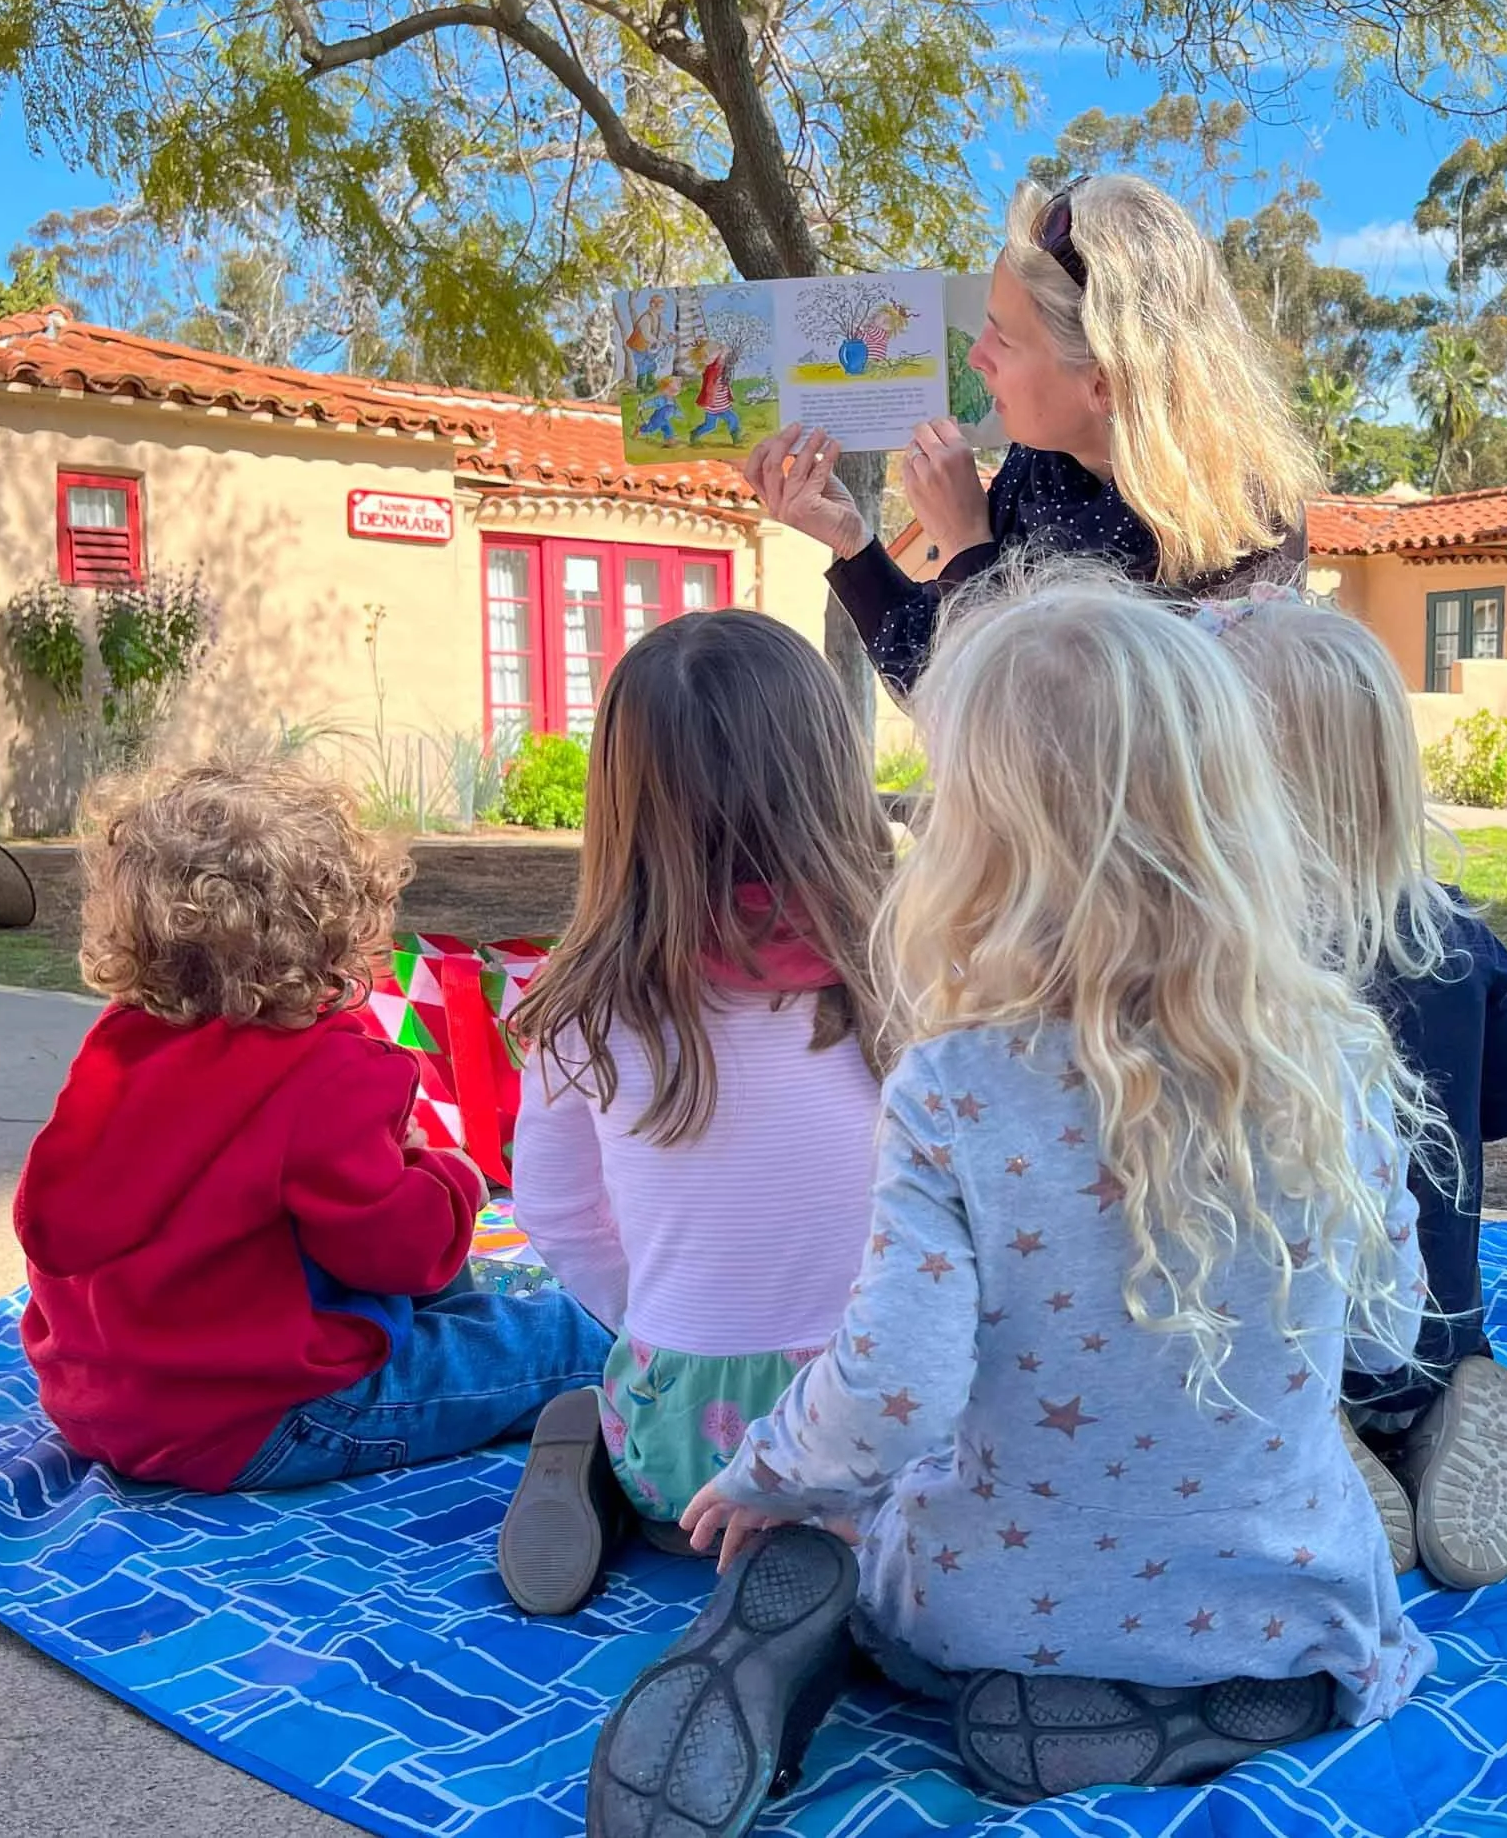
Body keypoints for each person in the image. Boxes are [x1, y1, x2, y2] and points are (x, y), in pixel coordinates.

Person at [582, 568, 1434, 1838]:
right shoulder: (1341, 1060)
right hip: (1277, 1602)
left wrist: (774, 1474)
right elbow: (1388, 1334)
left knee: (859, 1534)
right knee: (1335, 1614)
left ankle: (789, 1641)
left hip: (987, 1610)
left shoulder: (953, 1087)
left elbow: (895, 1387)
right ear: (1240, 808)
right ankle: (1194, 1716)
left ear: (976, 838)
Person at [15, 757, 611, 1493]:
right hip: (263, 1420)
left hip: (98, 1403)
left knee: (453, 1294)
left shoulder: (119, 1043)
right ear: (334, 931)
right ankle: (648, 1422)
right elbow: (402, 1254)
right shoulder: (330, 1070)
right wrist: (451, 1175)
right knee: (565, 1333)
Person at [494, 611, 896, 1616]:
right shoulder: (918, 974)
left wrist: (660, 1325)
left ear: (618, 802)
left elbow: (554, 1216)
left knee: (585, 1357)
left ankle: (618, 1454)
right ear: (830, 777)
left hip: (684, 1451)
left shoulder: (577, 1007)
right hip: (890, 1444)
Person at [1219, 603, 1507, 1592]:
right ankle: (1455, 1397)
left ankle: (1328, 1434)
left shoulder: (1219, 966)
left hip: (1294, 1328)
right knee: (1439, 1320)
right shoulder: (1459, 943)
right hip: (1441, 1320)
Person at [743, 174, 1318, 690]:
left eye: (1005, 339)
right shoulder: (1043, 468)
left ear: (1105, 384)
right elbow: (928, 677)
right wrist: (853, 543)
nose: (976, 357)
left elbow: (1030, 734)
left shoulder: (1238, 524)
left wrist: (968, 544)